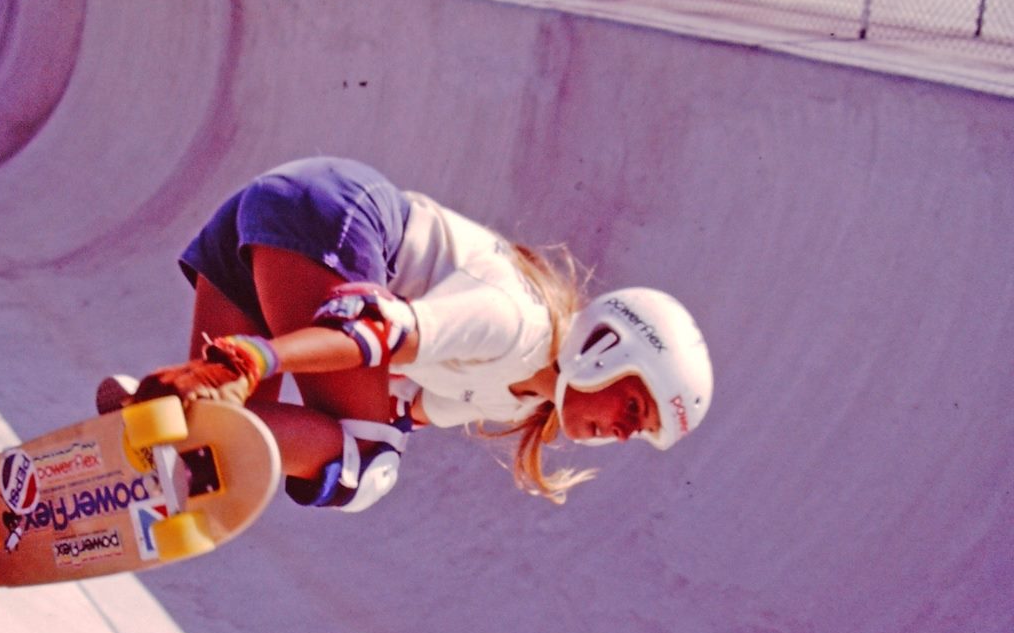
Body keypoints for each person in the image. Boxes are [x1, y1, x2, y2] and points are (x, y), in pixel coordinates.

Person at [98, 157, 712, 514]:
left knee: (228, 445)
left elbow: (400, 405)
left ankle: (127, 435)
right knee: (366, 465)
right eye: (635, 408)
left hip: (284, 214)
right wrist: (252, 361)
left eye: (641, 432)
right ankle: (174, 432)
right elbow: (373, 332)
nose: (625, 432)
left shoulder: (514, 397)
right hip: (331, 219)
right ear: (608, 349)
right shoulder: (518, 323)